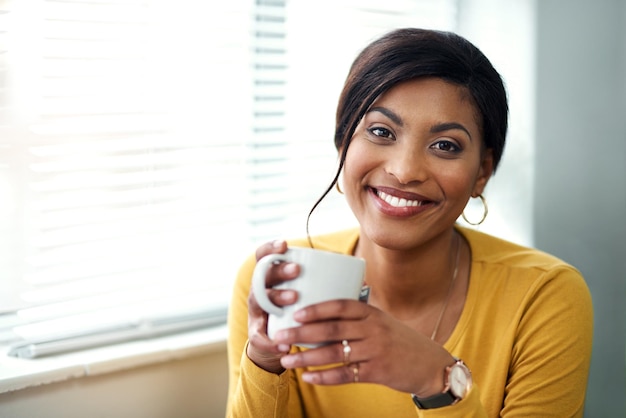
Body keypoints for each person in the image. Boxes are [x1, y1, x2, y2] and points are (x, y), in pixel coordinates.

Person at [226, 28, 593, 417]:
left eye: (445, 145)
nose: (404, 171)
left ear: (482, 173)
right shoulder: (275, 282)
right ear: (343, 145)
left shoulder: (544, 296)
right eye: (381, 132)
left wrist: (439, 381)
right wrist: (264, 360)